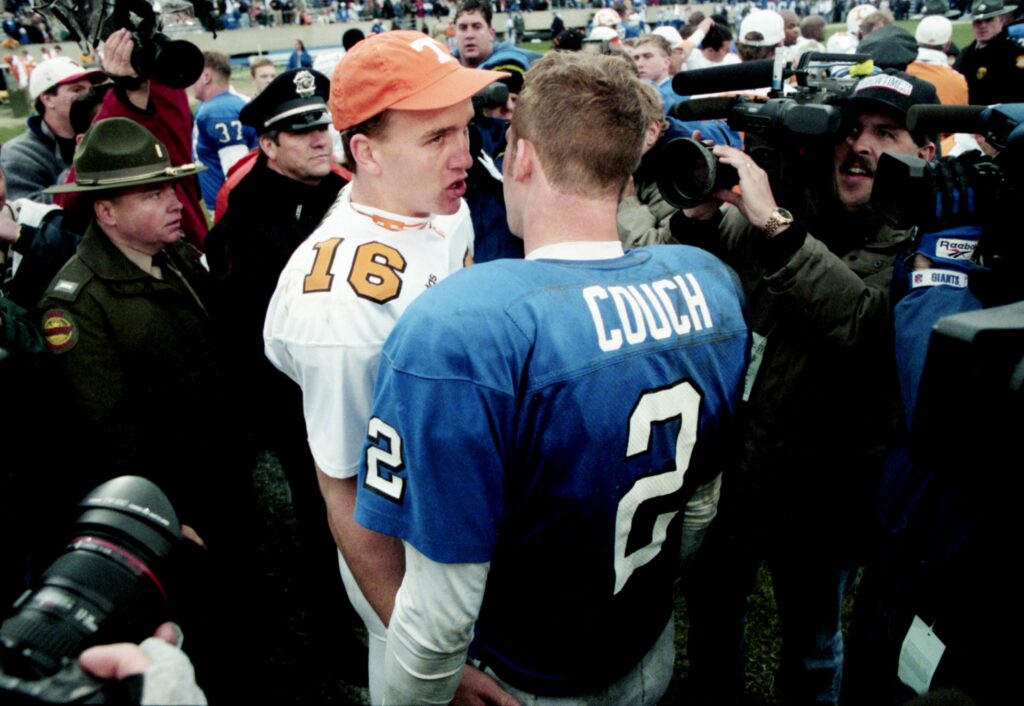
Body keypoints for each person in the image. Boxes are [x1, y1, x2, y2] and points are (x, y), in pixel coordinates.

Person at [352, 50, 750, 704]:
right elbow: (700, 509)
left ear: (522, 159)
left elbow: (442, 609)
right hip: (645, 642)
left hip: (526, 671)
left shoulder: (463, 326)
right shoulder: (708, 284)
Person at [676, 70, 941, 706]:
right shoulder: (794, 207)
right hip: (740, 467)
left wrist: (775, 224)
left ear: (926, 151)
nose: (862, 148)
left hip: (831, 487)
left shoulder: (928, 242)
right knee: (712, 620)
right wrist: (700, 213)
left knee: (815, 644)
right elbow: (705, 263)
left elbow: (865, 324)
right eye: (850, 130)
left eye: (886, 133)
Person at [262, 30, 504, 705]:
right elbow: (344, 491)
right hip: (408, 554)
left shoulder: (434, 202)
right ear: (364, 152)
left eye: (464, 128)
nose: (464, 153)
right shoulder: (338, 308)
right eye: (435, 138)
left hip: (462, 500)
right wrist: (423, 656)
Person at [36, 117, 257, 700]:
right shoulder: (78, 302)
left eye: (171, 187)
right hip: (173, 508)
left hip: (224, 481)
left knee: (244, 614)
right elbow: (111, 432)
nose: (174, 202)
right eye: (153, 193)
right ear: (106, 212)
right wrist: (166, 517)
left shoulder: (177, 257)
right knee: (194, 637)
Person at [203, 67, 357, 682]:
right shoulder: (243, 215)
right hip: (296, 403)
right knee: (324, 521)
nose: (320, 137)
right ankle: (333, 635)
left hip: (364, 387)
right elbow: (246, 332)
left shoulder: (349, 193)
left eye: (321, 123)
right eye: (300, 129)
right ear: (267, 145)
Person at [0, 56, 104, 203]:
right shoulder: (20, 153)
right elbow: (26, 211)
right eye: (77, 90)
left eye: (91, 89)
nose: (89, 96)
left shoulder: (101, 133)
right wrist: (77, 172)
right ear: (47, 99)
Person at [191, 51, 258, 211]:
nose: (191, 82)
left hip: (231, 209)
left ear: (206, 77)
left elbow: (236, 170)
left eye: (196, 75)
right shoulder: (225, 103)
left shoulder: (219, 111)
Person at [956, 0, 1024, 105]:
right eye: (977, 21)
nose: (982, 26)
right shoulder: (965, 54)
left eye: (988, 20)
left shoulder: (1014, 54)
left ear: (1001, 20)